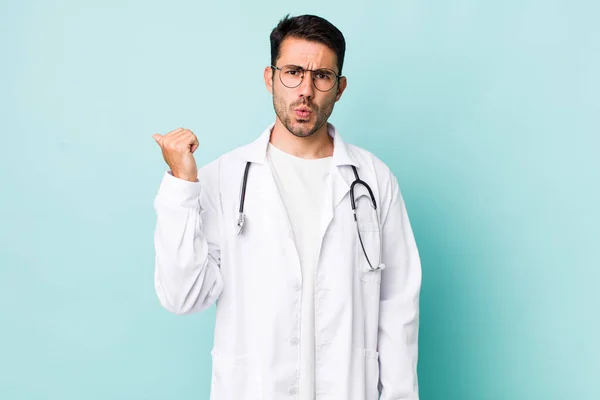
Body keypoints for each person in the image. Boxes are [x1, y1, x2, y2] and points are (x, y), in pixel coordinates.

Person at [151, 14, 421, 400]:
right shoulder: (225, 179)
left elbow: (398, 311)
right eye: (293, 72)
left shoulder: (374, 181)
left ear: (340, 88)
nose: (306, 90)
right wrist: (181, 185)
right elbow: (183, 297)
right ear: (270, 77)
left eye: (322, 76)